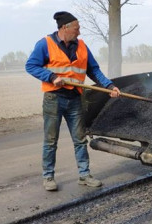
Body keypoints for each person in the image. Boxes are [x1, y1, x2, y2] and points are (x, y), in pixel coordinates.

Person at [25, 11, 121, 191]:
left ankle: (84, 175)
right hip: (54, 98)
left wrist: (109, 86)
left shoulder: (82, 46)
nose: (79, 32)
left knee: (79, 139)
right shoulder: (45, 44)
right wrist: (51, 76)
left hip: (75, 98)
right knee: (51, 140)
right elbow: (30, 66)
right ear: (64, 28)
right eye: (76, 28)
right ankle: (48, 177)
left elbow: (94, 70)